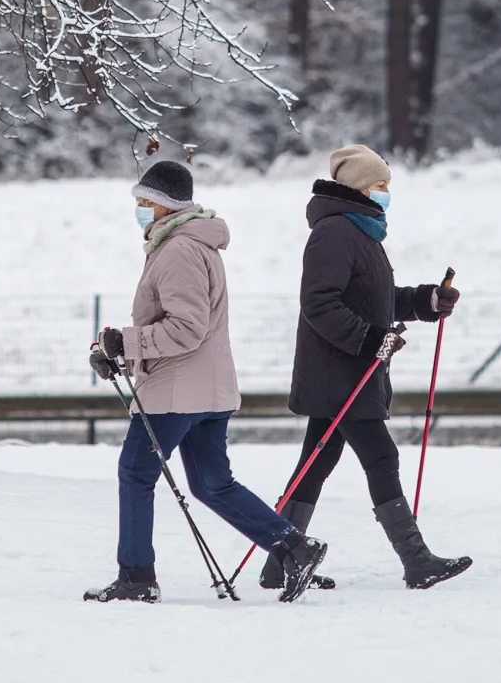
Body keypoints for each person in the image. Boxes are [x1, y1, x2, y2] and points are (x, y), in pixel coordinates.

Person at [85, 159, 329, 603]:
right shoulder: (191, 245)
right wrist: (120, 351)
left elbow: (186, 329)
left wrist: (126, 341)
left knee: (136, 474)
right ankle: (295, 546)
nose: (138, 208)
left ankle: (137, 577)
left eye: (145, 201)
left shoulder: (179, 250)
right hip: (206, 390)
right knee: (212, 484)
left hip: (176, 394)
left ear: (165, 206)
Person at [260, 144, 472, 592]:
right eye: (380, 185)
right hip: (343, 372)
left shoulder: (362, 232)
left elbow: (377, 299)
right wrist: (371, 339)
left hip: (347, 371)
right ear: (357, 187)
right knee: (381, 456)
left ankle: (279, 562)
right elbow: (318, 304)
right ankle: (417, 562)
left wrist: (427, 301)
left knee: (314, 464)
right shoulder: (336, 233)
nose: (387, 192)